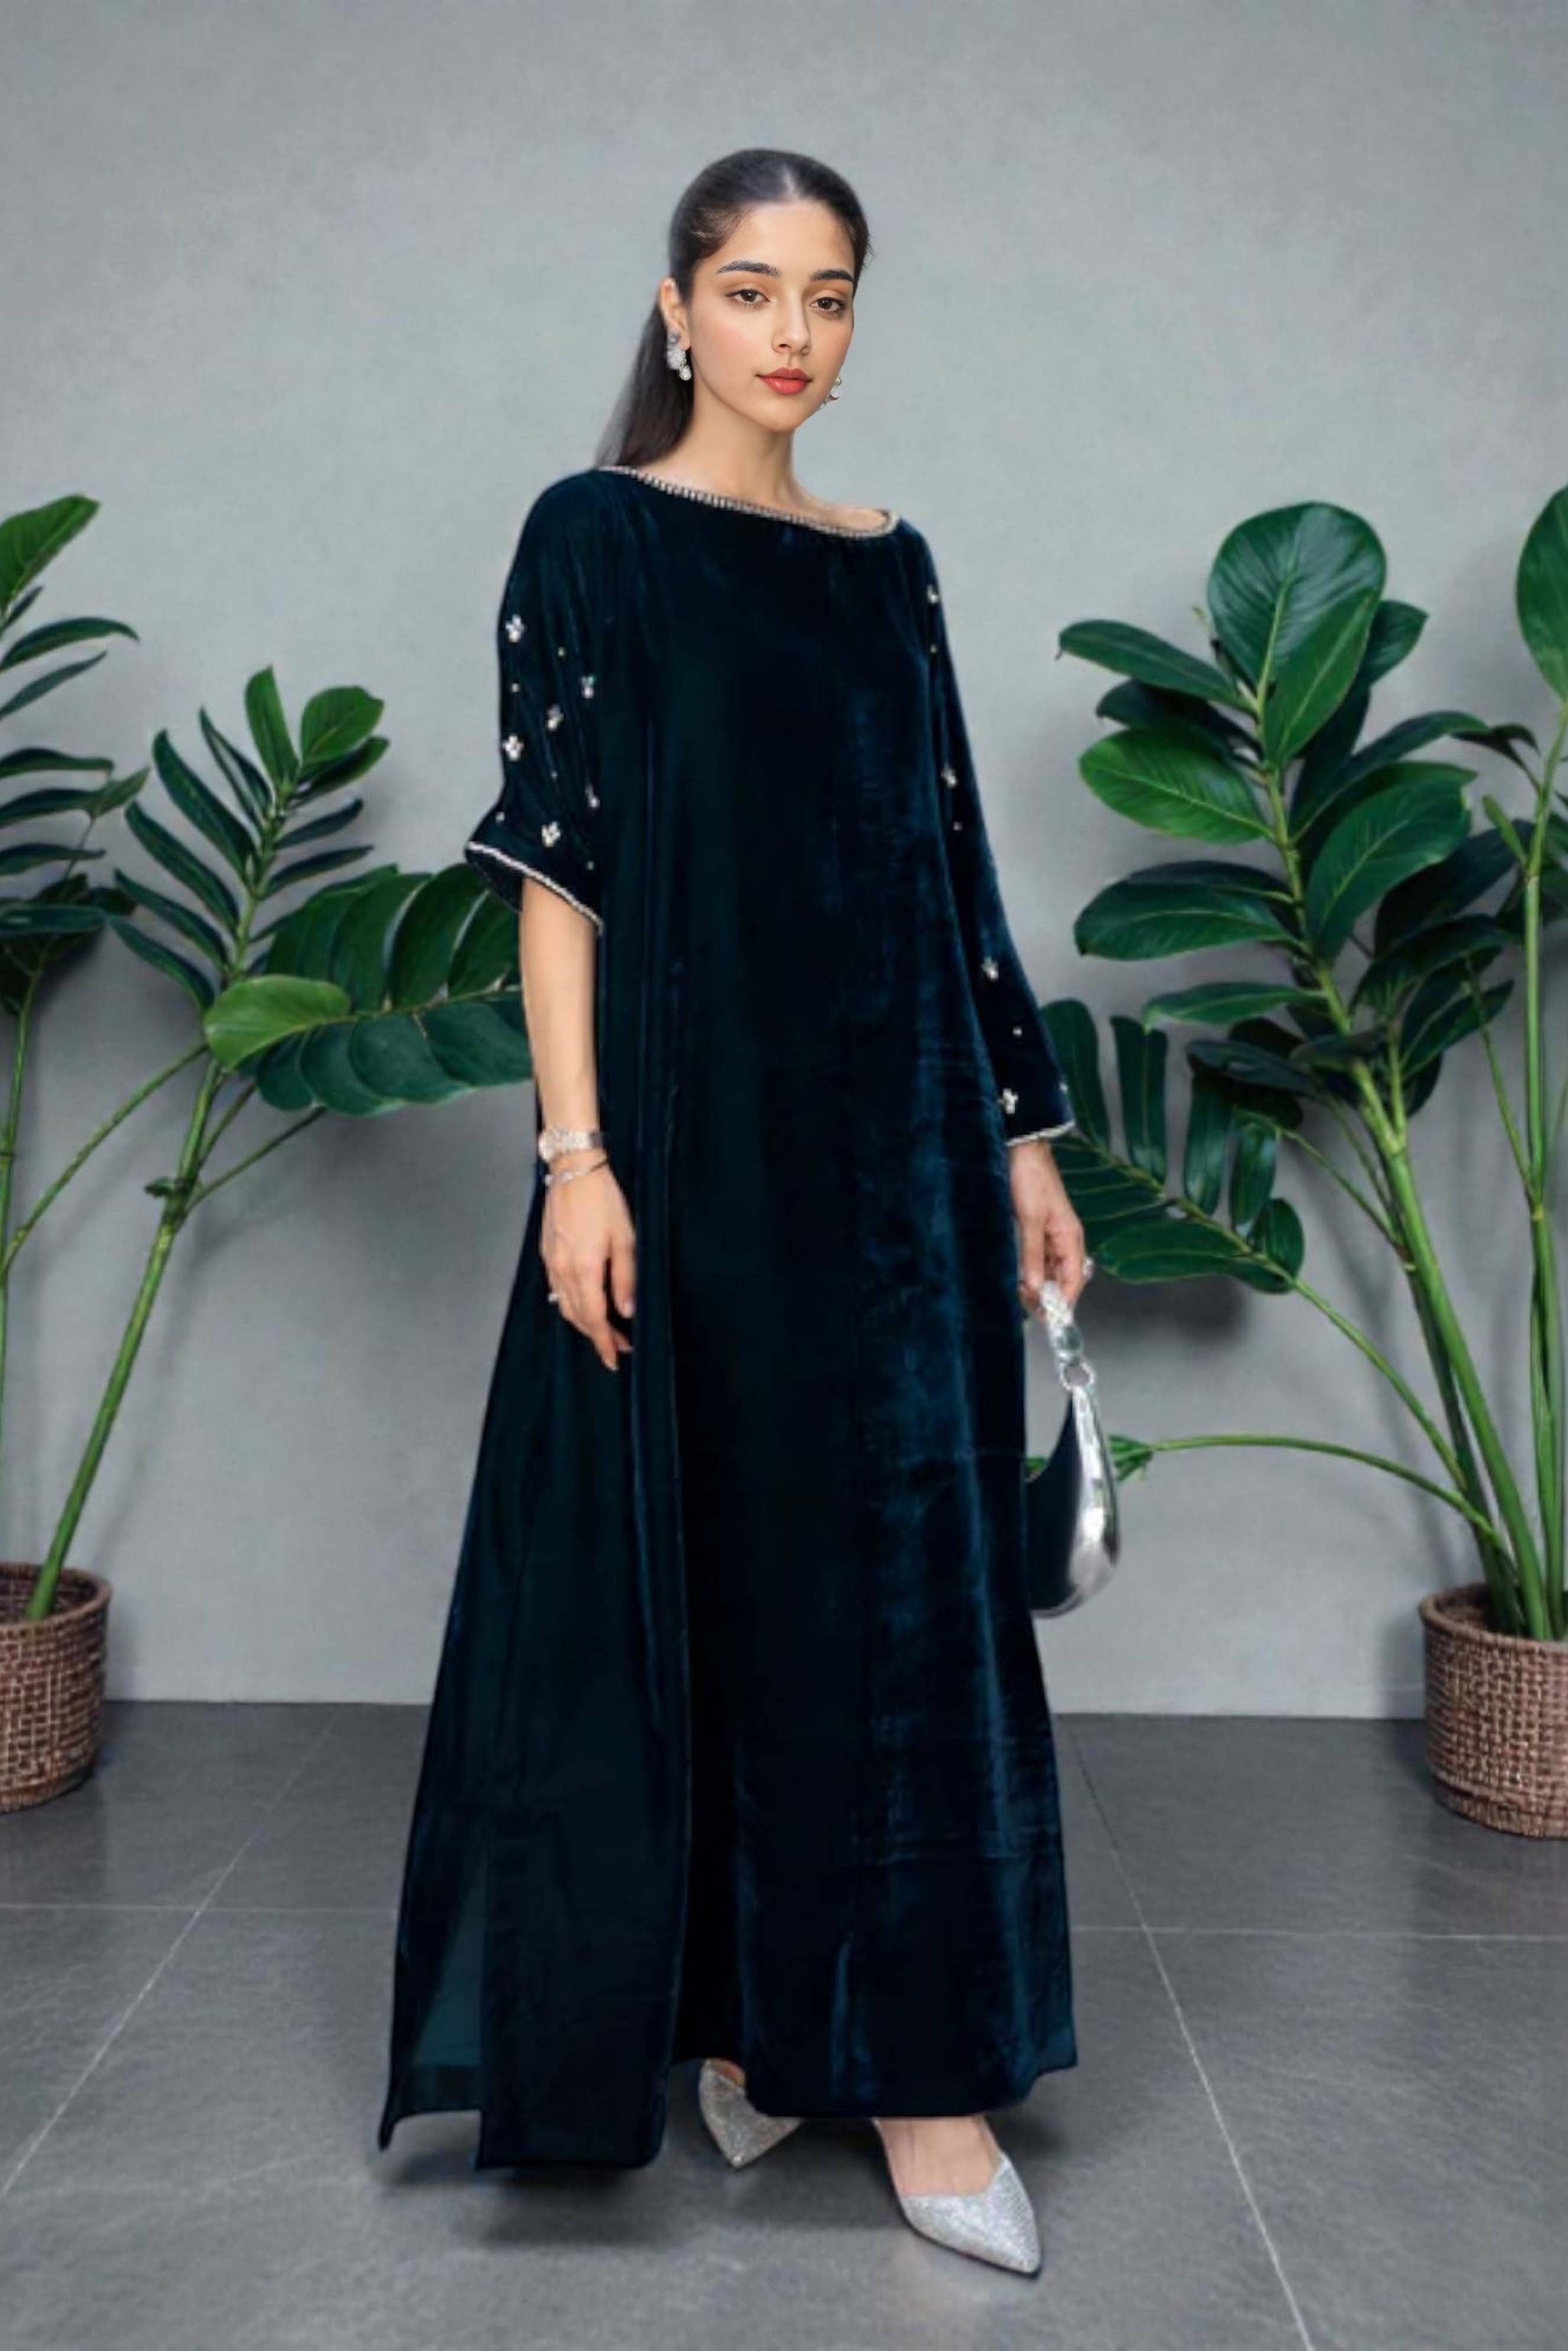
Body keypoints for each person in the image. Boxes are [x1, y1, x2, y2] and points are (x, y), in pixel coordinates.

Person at [377, 147, 1088, 2279]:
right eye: (754, 288)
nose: (793, 333)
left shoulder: (889, 566)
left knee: (904, 1614)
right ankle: (759, 2030)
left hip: (904, 1169)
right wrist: (574, 1163)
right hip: (692, 1156)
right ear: (676, 309)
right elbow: (559, 875)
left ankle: (919, 2083)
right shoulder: (593, 536)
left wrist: (1025, 1142)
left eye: (831, 294)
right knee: (720, 1582)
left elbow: (951, 872)